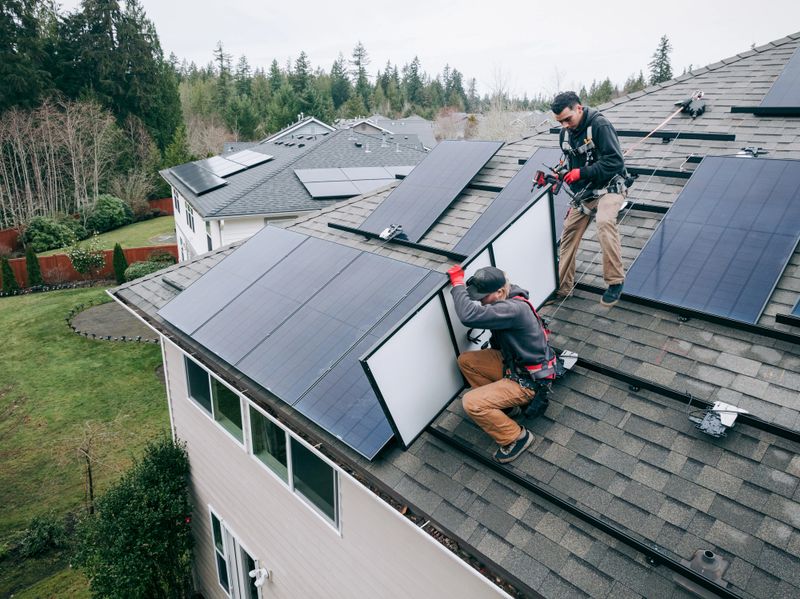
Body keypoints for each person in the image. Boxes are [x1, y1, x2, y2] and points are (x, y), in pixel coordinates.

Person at [447, 265, 556, 464]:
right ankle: (505, 408)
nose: (480, 301)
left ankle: (515, 437)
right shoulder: (507, 294)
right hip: (512, 365)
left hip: (527, 381)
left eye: (483, 297)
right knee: (466, 361)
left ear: (499, 292)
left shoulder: (512, 309)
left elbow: (468, 315)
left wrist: (457, 284)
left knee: (472, 403)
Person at [551, 91, 628, 307]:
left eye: (568, 119)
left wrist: (581, 173)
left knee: (604, 223)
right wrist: (563, 173)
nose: (565, 124)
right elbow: (570, 162)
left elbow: (615, 162)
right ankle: (563, 288)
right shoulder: (565, 134)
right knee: (569, 233)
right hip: (586, 192)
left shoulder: (600, 126)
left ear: (579, 108)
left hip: (611, 186)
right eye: (560, 121)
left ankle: (615, 281)